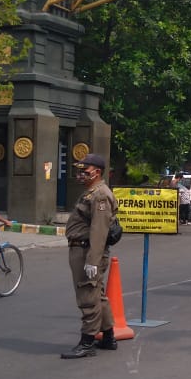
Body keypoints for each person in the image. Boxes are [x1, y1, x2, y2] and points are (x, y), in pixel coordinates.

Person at [61, 153, 118, 359]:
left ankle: (87, 342)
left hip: (87, 251)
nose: (81, 175)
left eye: (85, 171)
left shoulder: (100, 195)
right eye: (79, 171)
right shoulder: (91, 192)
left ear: (97, 172)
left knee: (87, 296)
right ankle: (109, 337)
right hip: (82, 249)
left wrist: (92, 260)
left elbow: (99, 230)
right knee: (97, 295)